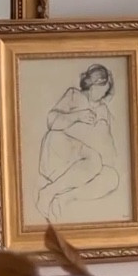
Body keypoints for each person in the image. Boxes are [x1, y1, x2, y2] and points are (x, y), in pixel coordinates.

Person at [35, 64, 118, 222]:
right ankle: (48, 193)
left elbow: (110, 150)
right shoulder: (73, 95)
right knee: (93, 160)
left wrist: (103, 131)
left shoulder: (103, 110)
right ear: (92, 84)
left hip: (84, 165)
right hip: (58, 151)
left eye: (105, 91)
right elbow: (51, 121)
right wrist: (77, 116)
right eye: (101, 89)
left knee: (112, 177)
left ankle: (62, 199)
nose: (102, 94)